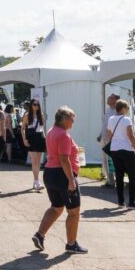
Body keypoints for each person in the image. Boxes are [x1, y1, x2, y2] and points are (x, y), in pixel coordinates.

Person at [32, 106, 88, 254]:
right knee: (74, 211)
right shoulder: (63, 135)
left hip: (50, 173)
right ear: (63, 119)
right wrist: (71, 181)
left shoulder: (52, 131)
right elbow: (63, 159)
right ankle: (71, 244)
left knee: (56, 207)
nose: (73, 122)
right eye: (71, 119)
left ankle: (39, 235)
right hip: (62, 175)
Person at [104, 99, 135, 209]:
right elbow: (131, 136)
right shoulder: (126, 120)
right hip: (126, 150)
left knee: (119, 176)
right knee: (132, 176)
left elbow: (109, 134)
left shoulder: (111, 119)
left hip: (115, 150)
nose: (128, 110)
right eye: (127, 108)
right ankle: (132, 201)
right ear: (123, 108)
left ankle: (121, 201)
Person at [21, 99, 46, 191]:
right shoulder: (27, 115)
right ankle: (37, 181)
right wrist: (24, 139)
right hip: (31, 138)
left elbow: (42, 128)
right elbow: (23, 128)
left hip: (40, 138)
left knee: (38, 161)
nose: (36, 106)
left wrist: (45, 138)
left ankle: (36, 181)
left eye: (37, 105)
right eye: (34, 105)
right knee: (34, 160)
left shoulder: (41, 115)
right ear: (31, 105)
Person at [98, 94, 119, 186]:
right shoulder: (107, 110)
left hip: (112, 139)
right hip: (104, 138)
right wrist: (100, 134)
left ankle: (115, 180)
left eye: (110, 97)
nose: (108, 98)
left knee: (113, 160)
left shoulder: (117, 111)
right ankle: (109, 180)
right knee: (105, 159)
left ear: (115, 100)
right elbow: (104, 124)